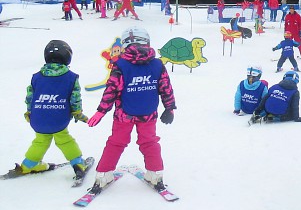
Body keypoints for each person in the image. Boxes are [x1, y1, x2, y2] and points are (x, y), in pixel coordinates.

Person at [87, 27, 177, 192]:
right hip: (148, 114)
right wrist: (169, 107)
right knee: (149, 142)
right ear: (147, 42)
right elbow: (165, 87)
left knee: (116, 142)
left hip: (124, 115)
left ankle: (103, 175)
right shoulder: (157, 65)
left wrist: (101, 110)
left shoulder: (120, 64)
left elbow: (111, 89)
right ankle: (155, 174)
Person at [10, 40, 90, 179]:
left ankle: (28, 165)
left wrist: (29, 111)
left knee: (41, 140)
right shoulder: (71, 77)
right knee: (64, 140)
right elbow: (75, 98)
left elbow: (30, 97)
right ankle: (78, 163)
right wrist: (78, 113)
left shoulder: (36, 77)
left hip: (38, 118)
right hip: (59, 119)